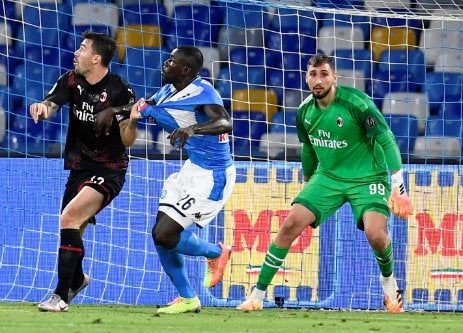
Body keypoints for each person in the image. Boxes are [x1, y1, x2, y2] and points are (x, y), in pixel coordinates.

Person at [236, 54, 413, 313]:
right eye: (313, 74)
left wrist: (398, 185)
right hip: (328, 176)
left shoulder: (357, 103)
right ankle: (256, 296)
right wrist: (307, 183)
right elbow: (308, 149)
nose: (318, 80)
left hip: (368, 177)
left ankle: (388, 282)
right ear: (306, 78)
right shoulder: (305, 112)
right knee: (289, 225)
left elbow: (386, 139)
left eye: (323, 74)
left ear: (334, 77)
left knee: (375, 234)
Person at [95, 45, 235, 314]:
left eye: (171, 61)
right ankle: (188, 298)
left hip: (213, 175)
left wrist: (193, 128)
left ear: (185, 69)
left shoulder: (203, 92)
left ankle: (217, 254)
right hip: (190, 169)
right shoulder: (168, 91)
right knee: (160, 236)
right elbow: (143, 107)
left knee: (165, 233)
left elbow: (226, 122)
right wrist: (114, 111)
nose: (165, 63)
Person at [29, 31, 138, 312]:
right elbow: (50, 106)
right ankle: (77, 279)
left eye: (82, 48)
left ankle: (60, 296)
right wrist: (41, 108)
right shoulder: (70, 79)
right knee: (72, 227)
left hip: (109, 168)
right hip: (79, 167)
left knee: (69, 217)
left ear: (96, 58)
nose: (76, 52)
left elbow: (127, 141)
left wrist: (127, 119)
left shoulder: (120, 91)